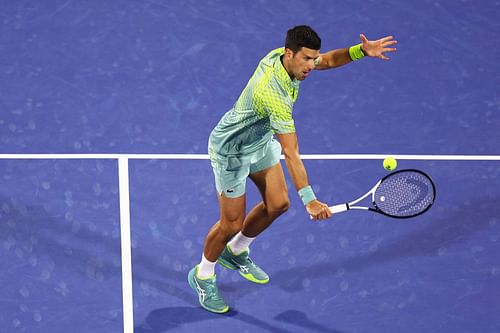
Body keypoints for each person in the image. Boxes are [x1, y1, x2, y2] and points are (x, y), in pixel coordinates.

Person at [188, 25, 397, 313]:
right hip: (232, 152)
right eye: (308, 59)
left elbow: (331, 60)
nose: (312, 65)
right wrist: (310, 199)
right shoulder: (273, 94)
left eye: (313, 58)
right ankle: (203, 274)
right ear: (290, 53)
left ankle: (235, 252)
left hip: (259, 143)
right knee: (231, 224)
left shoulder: (286, 58)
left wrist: (362, 50)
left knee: (279, 203)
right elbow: (291, 152)